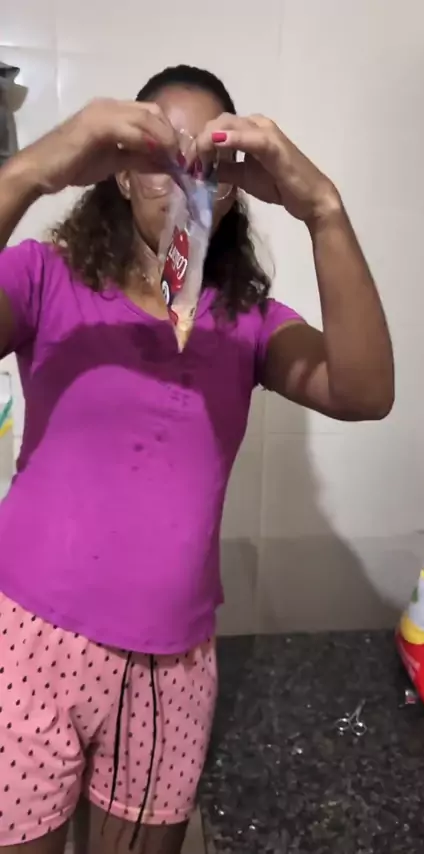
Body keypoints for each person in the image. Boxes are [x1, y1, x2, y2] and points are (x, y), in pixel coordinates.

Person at [0, 64, 394, 854]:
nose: (183, 179)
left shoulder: (247, 321)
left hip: (172, 666)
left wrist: (322, 206)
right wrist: (37, 166)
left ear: (234, 189)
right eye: (157, 154)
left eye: (208, 163)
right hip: (28, 643)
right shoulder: (45, 279)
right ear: (117, 172)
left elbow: (364, 390)